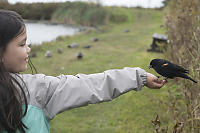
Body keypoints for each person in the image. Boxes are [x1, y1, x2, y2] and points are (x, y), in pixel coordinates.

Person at [0, 10, 166, 133]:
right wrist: (138, 77)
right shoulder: (36, 90)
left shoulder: (37, 88)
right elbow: (90, 86)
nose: (28, 49)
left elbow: (89, 85)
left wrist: (139, 77)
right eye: (22, 44)